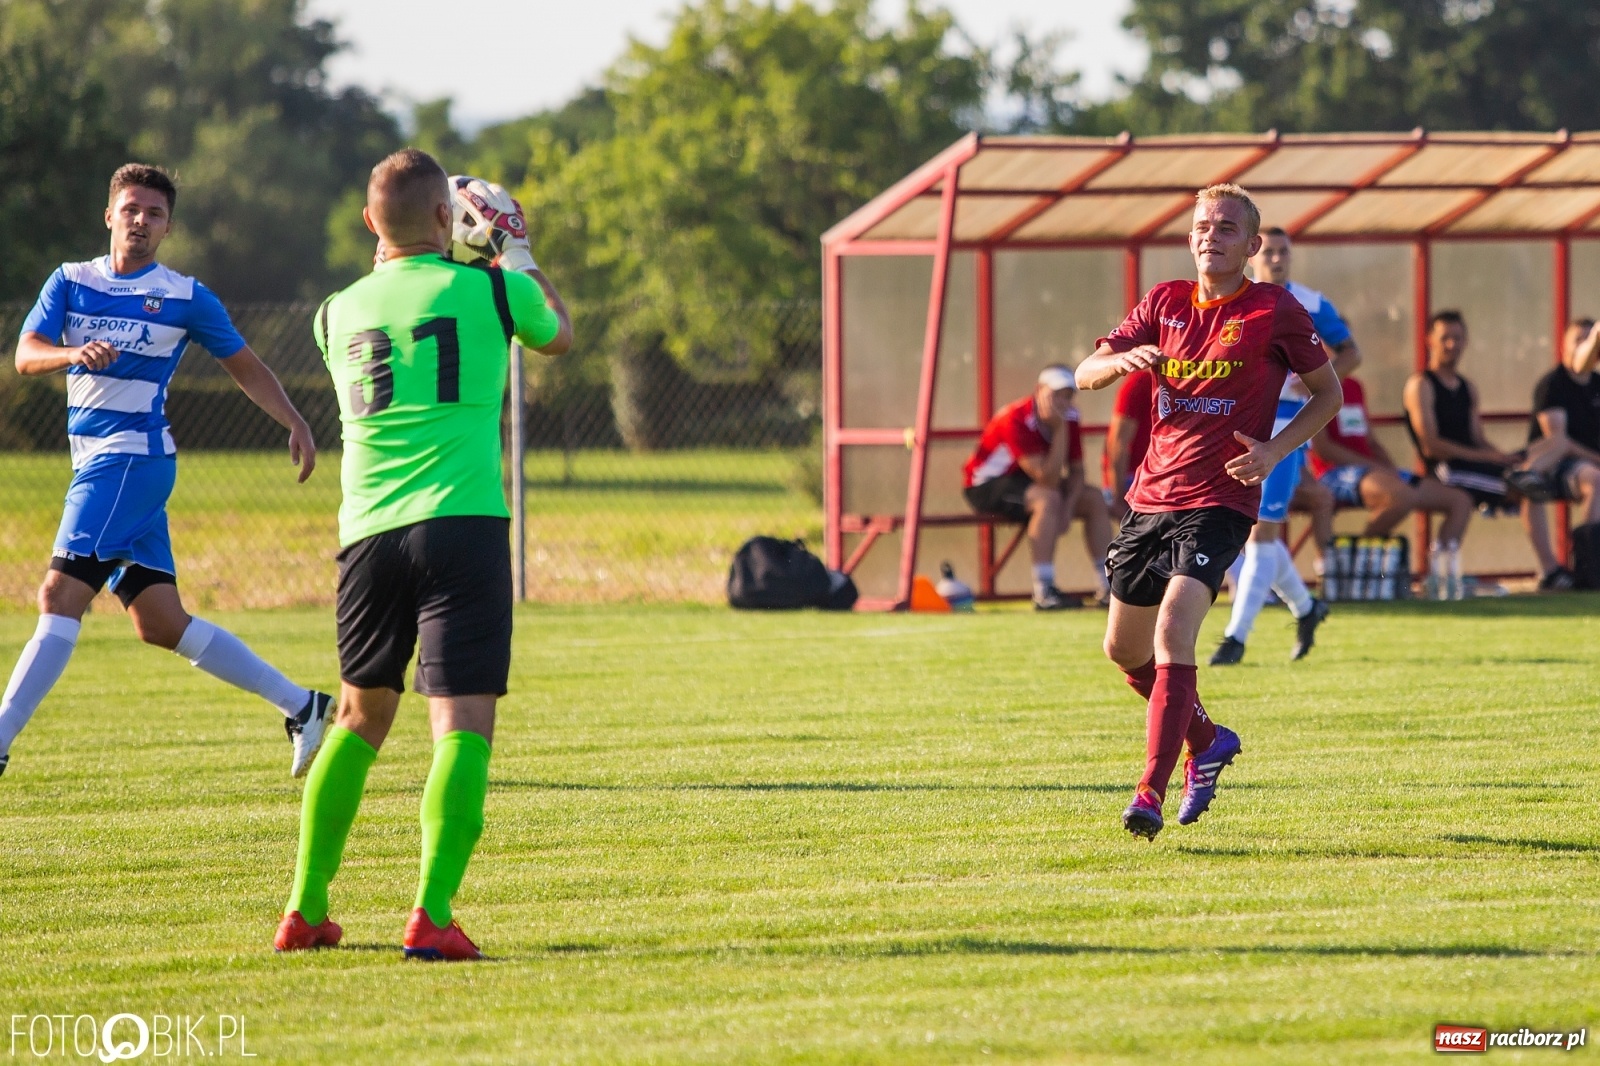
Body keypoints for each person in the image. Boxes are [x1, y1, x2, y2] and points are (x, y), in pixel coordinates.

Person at [274, 150, 572, 961]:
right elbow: (559, 336)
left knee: (359, 717)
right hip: (463, 525)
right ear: (449, 218)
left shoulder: (333, 312)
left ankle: (305, 908)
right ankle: (431, 914)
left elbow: (394, 293)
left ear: (370, 224)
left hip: (368, 534)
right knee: (461, 725)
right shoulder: (492, 288)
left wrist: (415, 242)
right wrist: (513, 246)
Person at [1, 163, 330, 781]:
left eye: (154, 214)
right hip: (102, 464)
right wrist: (72, 353)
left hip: (131, 460)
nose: (141, 222)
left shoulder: (184, 296)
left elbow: (245, 365)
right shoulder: (70, 281)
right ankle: (302, 706)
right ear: (109, 216)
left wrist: (297, 421)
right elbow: (25, 354)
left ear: (169, 226)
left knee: (57, 593)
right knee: (160, 623)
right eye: (131, 209)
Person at [1074, 183, 1340, 841]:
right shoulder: (1164, 301)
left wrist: (1275, 451)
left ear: (1251, 246)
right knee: (1123, 650)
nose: (1209, 235)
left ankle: (1150, 795)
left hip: (1220, 499)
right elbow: (1084, 370)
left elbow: (1327, 394)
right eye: (1201, 225)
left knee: (1172, 634)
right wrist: (1112, 366)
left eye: (1226, 228)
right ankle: (1209, 739)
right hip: (1149, 499)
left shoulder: (1273, 309)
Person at [1211, 227, 1359, 666]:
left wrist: (1317, 375)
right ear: (1253, 255)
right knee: (1254, 532)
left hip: (1287, 430)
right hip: (1240, 428)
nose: (1277, 259)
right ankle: (1308, 608)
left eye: (1284, 252)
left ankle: (1235, 638)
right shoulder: (1236, 300)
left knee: (1263, 532)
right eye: (1269, 251)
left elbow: (1351, 352)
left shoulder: (1311, 302)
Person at [1402, 310, 1564, 594]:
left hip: (1472, 467)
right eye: (1445, 338)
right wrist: (1491, 459)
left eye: (1457, 338)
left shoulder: (1468, 388)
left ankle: (1550, 569)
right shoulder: (1421, 385)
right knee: (1523, 485)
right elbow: (1431, 445)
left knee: (1533, 468)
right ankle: (1438, 576)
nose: (1452, 344)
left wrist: (1504, 457)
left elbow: (1478, 438)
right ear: (1429, 340)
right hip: (1445, 470)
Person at [962, 365, 1113, 609]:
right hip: (985, 485)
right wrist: (1060, 429)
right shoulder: (1015, 417)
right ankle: (1044, 592)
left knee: (1094, 498)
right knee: (1047, 499)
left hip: (1034, 484)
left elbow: (1077, 472)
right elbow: (1046, 478)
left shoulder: (1070, 417)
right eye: (1056, 394)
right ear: (1039, 391)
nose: (1063, 401)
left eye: (1068, 395)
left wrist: (1069, 507)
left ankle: (1109, 586)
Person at [1523, 318, 1600, 588]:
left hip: (1587, 462)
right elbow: (1560, 441)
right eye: (1579, 340)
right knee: (1593, 477)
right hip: (1555, 465)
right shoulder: (1553, 383)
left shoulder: (1597, 383)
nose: (1588, 346)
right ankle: (1589, 566)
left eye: (1591, 339)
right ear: (1564, 346)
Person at [1102, 370, 1153, 520]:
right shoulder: (1139, 383)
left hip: (1156, 478)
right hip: (1132, 481)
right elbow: (1117, 444)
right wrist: (1117, 498)